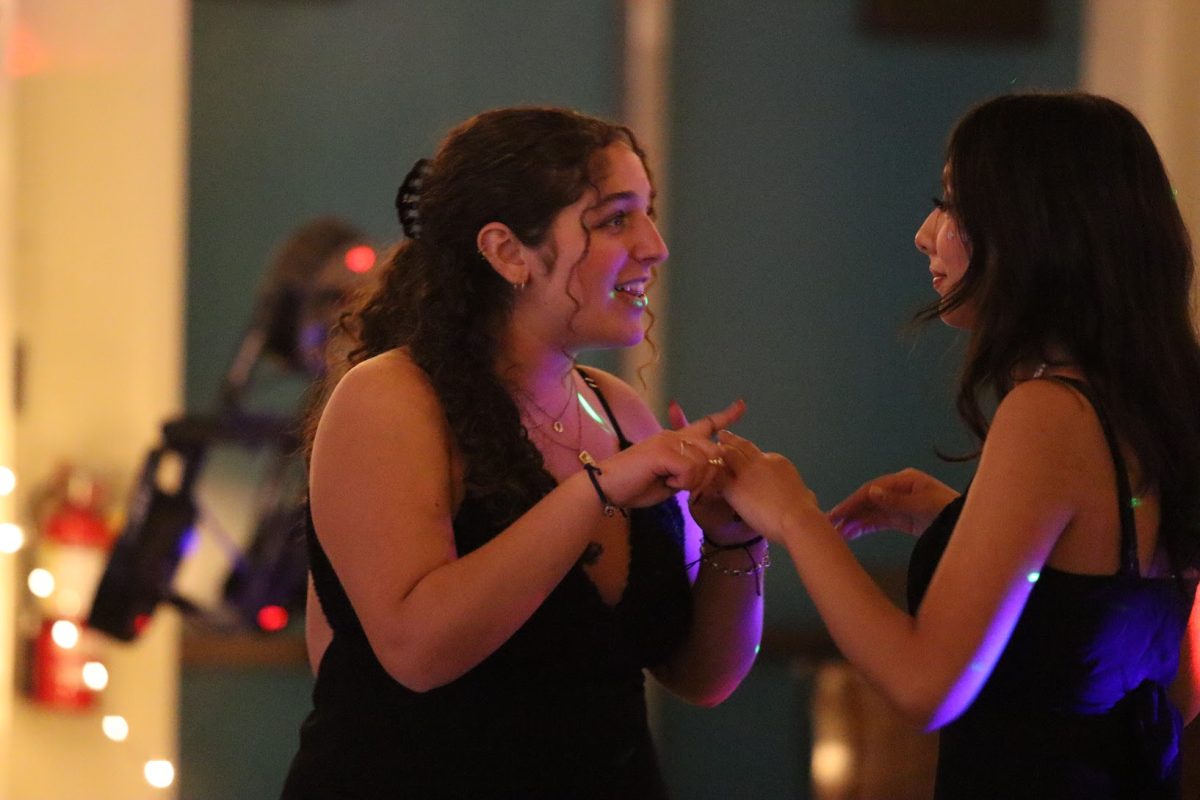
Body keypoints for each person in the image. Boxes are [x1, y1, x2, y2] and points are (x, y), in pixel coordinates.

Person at [714, 92, 1200, 798]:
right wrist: (961, 522)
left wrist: (791, 517)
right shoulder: (1158, 404)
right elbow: (1167, 683)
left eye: (950, 206)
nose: (923, 234)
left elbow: (925, 686)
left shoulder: (1049, 414)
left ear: (1034, 231)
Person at [279, 107, 767, 800]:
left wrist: (733, 538)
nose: (655, 246)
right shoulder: (390, 399)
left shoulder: (618, 410)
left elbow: (702, 677)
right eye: (616, 219)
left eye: (648, 213)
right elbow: (418, 650)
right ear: (508, 252)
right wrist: (594, 492)